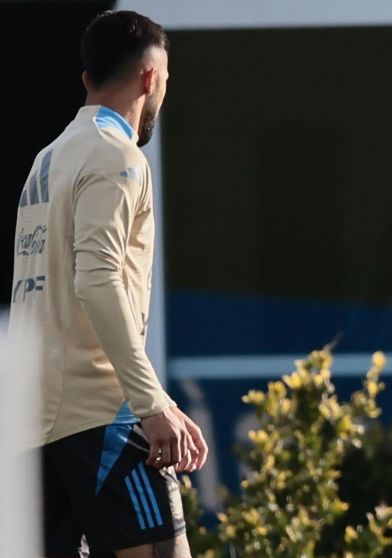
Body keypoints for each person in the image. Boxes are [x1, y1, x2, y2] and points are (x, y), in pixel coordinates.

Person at [8, 10, 208, 558]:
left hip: (34, 421)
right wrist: (151, 402)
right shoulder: (117, 156)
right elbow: (95, 281)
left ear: (85, 80)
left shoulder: (45, 160)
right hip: (101, 414)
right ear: (150, 77)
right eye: (164, 80)